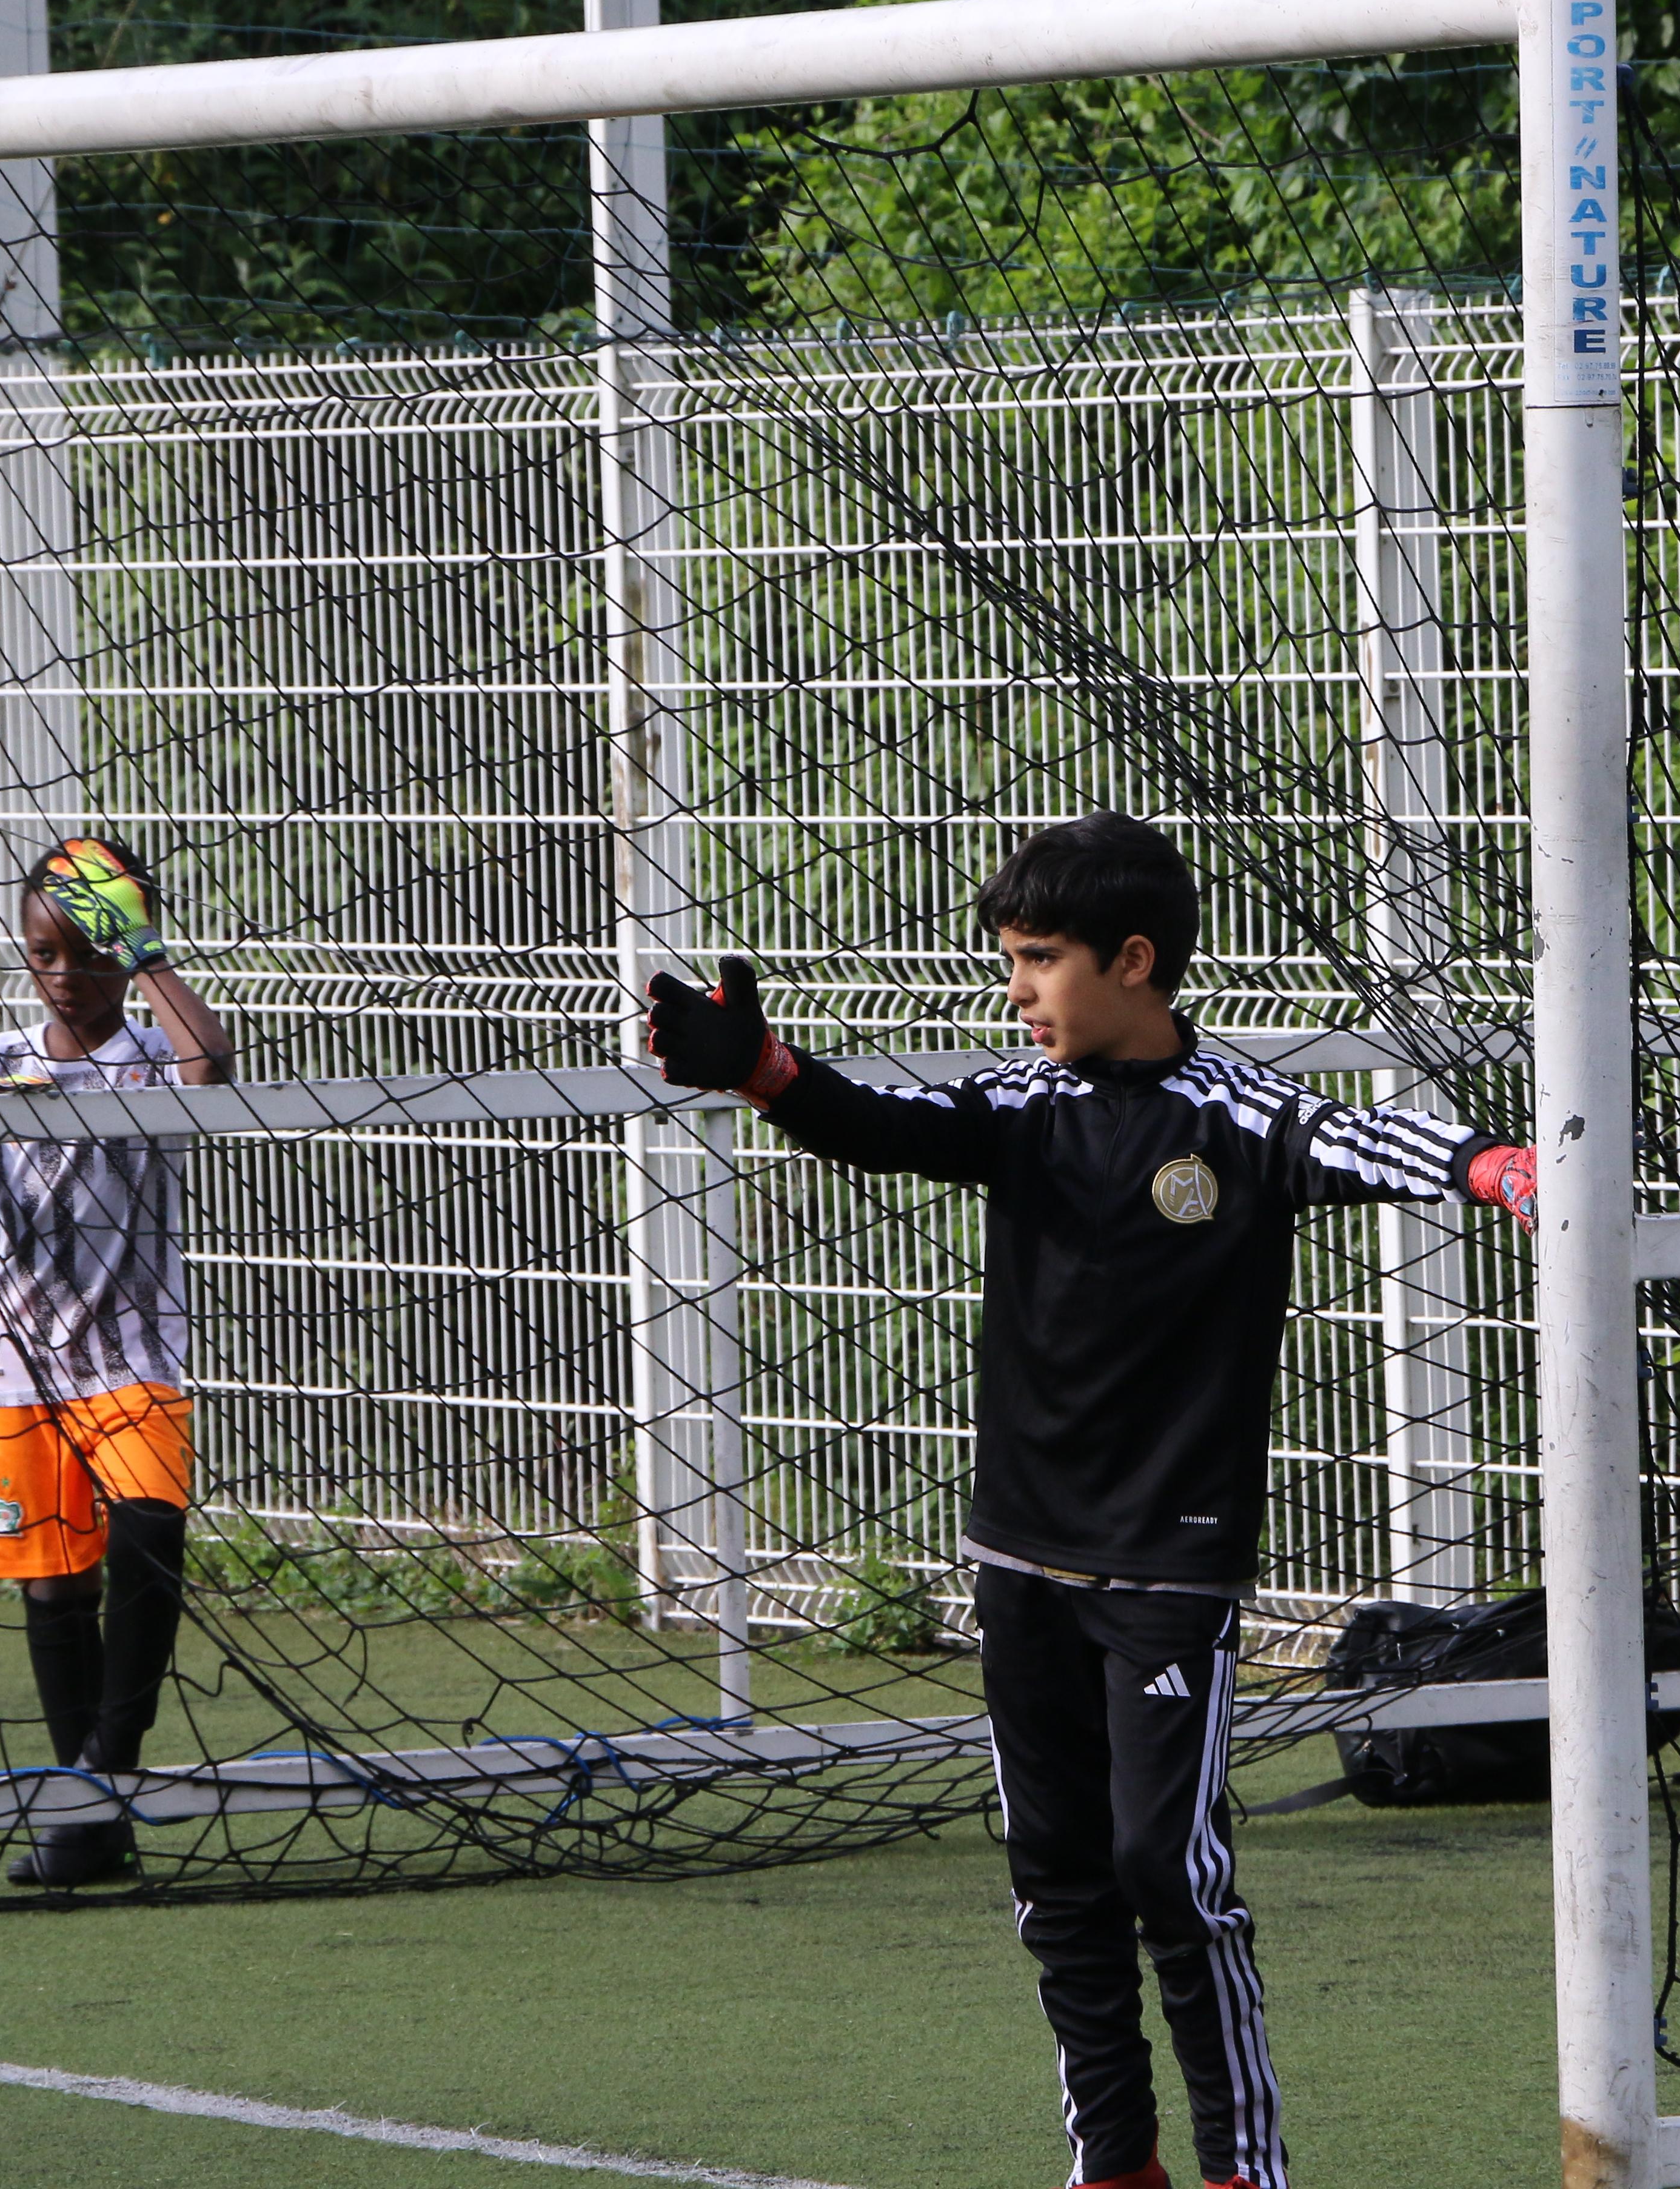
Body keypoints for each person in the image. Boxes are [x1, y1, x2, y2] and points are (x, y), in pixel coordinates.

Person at [647, 810, 1536, 2189]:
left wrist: (1498, 1169)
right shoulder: (1020, 1108)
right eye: (1009, 959)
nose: (1015, 988)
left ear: (1133, 961)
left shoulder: (1233, 1119)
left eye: (1038, 959)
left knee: (1165, 1870)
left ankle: (1242, 2164)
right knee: (1055, 1872)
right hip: (1018, 1555)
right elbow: (882, 1125)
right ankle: (1112, 2164)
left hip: (1166, 1568)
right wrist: (762, 1071)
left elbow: (1367, 1144)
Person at [0, 836, 232, 1890]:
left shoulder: (145, 1053)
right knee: (54, 1591)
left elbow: (210, 1065)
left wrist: (144, 950)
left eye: (88, 950)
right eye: (47, 950)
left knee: (150, 1528)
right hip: (18, 1371)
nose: (65, 972)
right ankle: (88, 1817)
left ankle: (105, 1772)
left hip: (132, 1355)